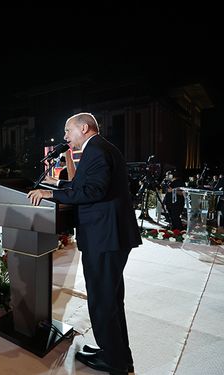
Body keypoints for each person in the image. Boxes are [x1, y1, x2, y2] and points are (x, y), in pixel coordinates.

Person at [28, 113, 141, 375]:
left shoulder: (96, 151)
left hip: (104, 237)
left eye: (68, 131)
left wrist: (50, 193)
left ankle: (115, 363)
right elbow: (87, 185)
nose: (65, 136)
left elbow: (93, 191)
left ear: (84, 128)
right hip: (109, 236)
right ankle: (117, 354)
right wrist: (60, 184)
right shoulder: (101, 149)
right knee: (110, 300)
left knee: (103, 301)